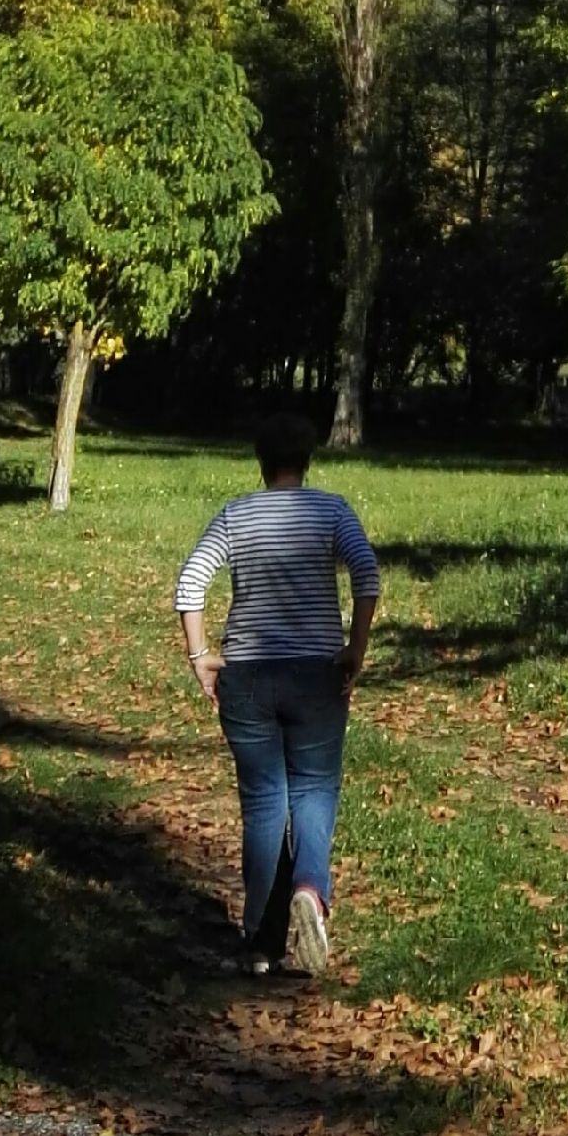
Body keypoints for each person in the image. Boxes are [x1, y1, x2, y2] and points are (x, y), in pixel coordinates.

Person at [175, 410, 381, 977]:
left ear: (260, 461)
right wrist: (356, 647)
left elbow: (190, 583)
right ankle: (310, 890)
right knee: (314, 788)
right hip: (316, 674)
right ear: (308, 459)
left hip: (247, 676)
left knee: (265, 802)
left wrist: (199, 657)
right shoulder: (331, 510)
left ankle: (262, 943)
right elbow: (366, 574)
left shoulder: (236, 515)